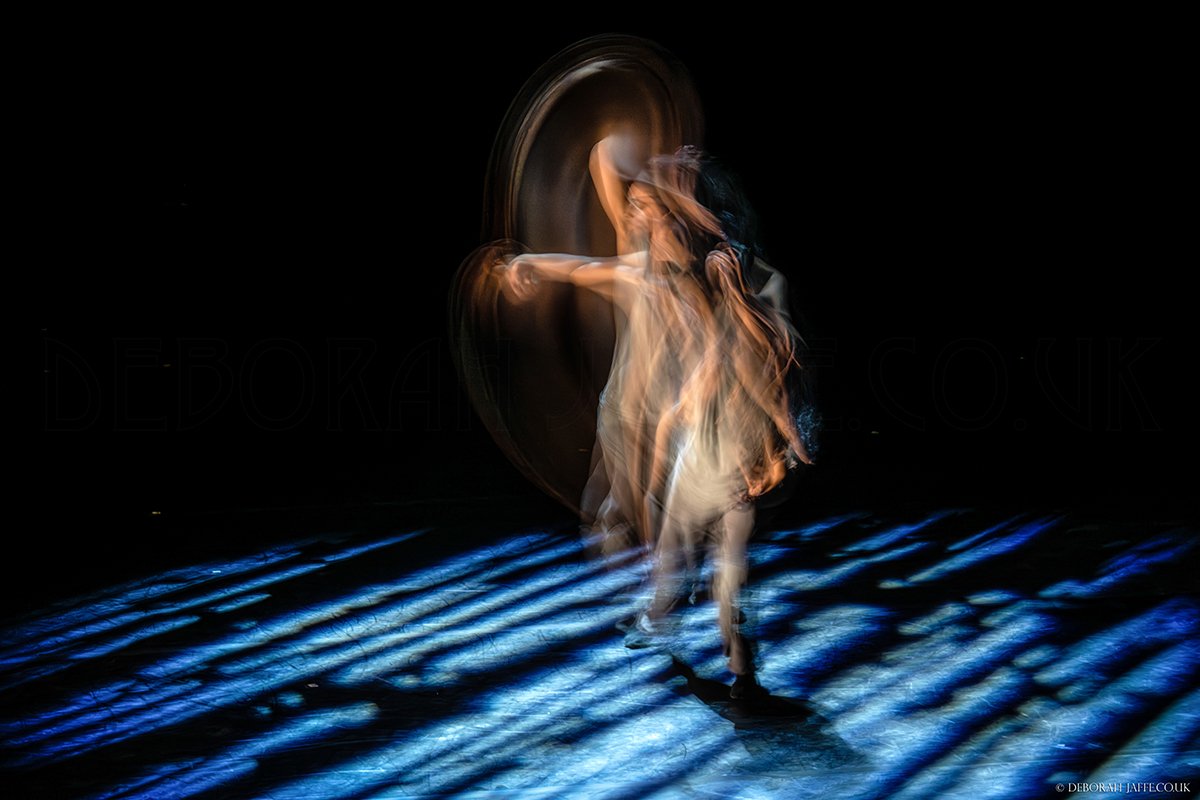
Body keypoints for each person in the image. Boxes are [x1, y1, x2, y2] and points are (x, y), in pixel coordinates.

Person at [496, 141, 812, 698]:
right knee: (667, 539)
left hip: (725, 442)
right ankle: (681, 624)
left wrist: (777, 443)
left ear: (674, 216)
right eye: (635, 207)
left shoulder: (724, 274)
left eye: (646, 207)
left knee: (716, 554)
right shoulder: (655, 272)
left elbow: (763, 360)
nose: (633, 217)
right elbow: (584, 268)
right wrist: (530, 264)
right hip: (692, 436)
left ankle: (729, 655)